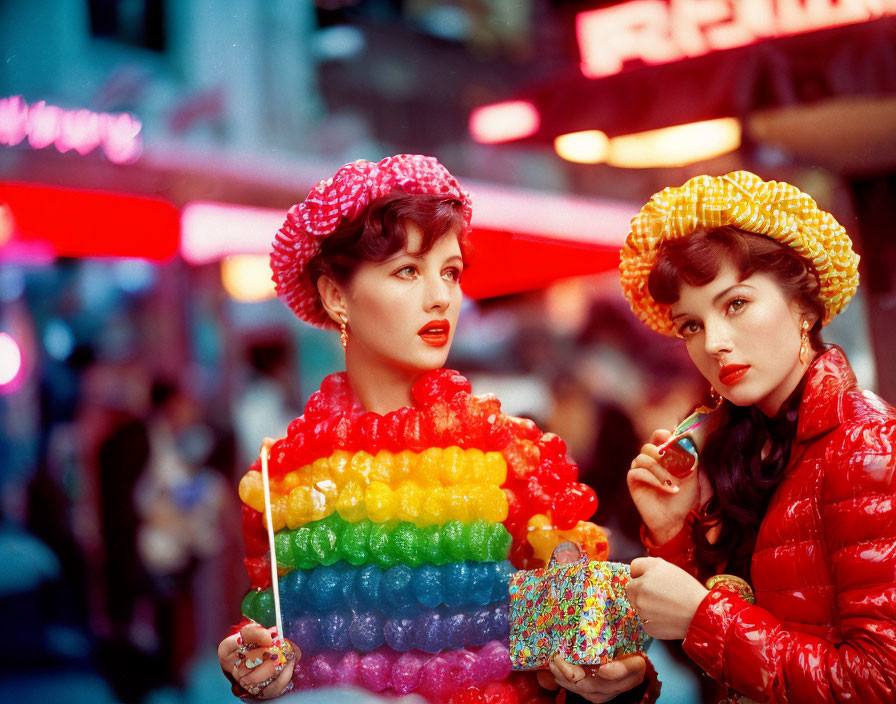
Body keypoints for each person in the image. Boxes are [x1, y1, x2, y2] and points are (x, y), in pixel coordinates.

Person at [217, 155, 648, 702]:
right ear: (334, 296)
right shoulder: (280, 476)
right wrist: (256, 661)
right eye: (407, 271)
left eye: (450, 272)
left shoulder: (511, 454)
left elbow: (586, 661)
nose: (441, 295)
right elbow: (277, 630)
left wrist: (601, 669)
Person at [617, 171, 896, 703]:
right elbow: (726, 670)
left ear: (805, 306)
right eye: (690, 326)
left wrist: (703, 615)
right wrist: (674, 531)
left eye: (736, 304)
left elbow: (882, 680)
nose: (715, 344)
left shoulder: (865, 446)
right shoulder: (753, 447)